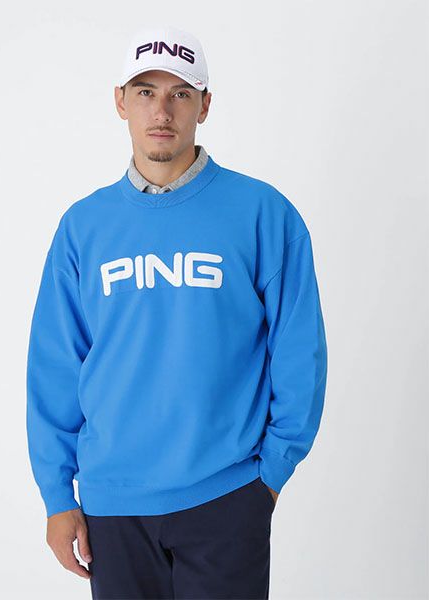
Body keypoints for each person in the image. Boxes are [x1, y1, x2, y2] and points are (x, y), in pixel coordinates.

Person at [26, 24, 328, 599]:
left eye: (180, 94)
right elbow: (55, 366)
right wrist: (57, 497)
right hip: (113, 504)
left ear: (204, 106)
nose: (161, 111)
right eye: (145, 92)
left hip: (226, 495)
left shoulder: (264, 214)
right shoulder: (83, 228)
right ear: (120, 102)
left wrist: (270, 475)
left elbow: (299, 352)